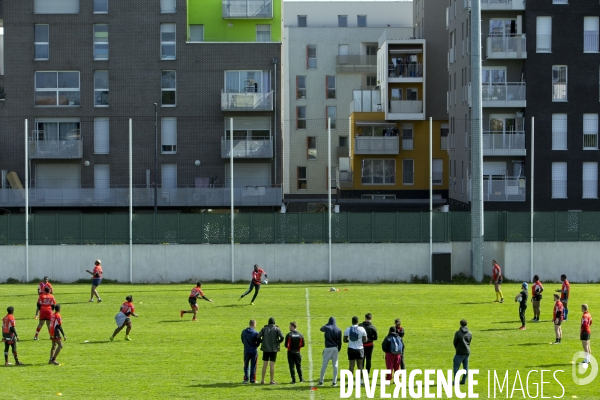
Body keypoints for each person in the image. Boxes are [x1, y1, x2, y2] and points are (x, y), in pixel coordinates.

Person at [257, 317, 284, 385]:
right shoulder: (276, 329)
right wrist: (278, 342)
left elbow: (258, 336)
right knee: (272, 365)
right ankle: (271, 380)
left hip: (265, 349)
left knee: (264, 365)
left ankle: (262, 380)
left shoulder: (264, 328)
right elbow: (282, 337)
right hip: (273, 349)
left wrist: (262, 341)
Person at [318, 316, 342, 386]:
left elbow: (321, 329)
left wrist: (326, 324)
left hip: (328, 348)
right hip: (335, 348)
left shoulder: (327, 327)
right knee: (335, 365)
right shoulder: (338, 330)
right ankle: (334, 382)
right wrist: (338, 349)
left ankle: (321, 381)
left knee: (324, 365)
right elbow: (340, 342)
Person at [452, 319, 472, 385]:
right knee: (465, 367)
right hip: (467, 352)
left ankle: (456, 381)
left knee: (456, 367)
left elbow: (455, 342)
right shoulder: (469, 333)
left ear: (460, 324)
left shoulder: (458, 333)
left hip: (459, 352)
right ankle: (463, 380)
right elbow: (469, 342)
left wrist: (457, 348)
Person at [241, 319, 260, 384]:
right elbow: (258, 342)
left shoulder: (243, 332)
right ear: (254, 324)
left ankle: (246, 378)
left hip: (246, 350)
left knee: (246, 365)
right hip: (254, 350)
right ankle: (252, 379)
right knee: (253, 365)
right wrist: (255, 346)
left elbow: (243, 340)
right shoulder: (256, 333)